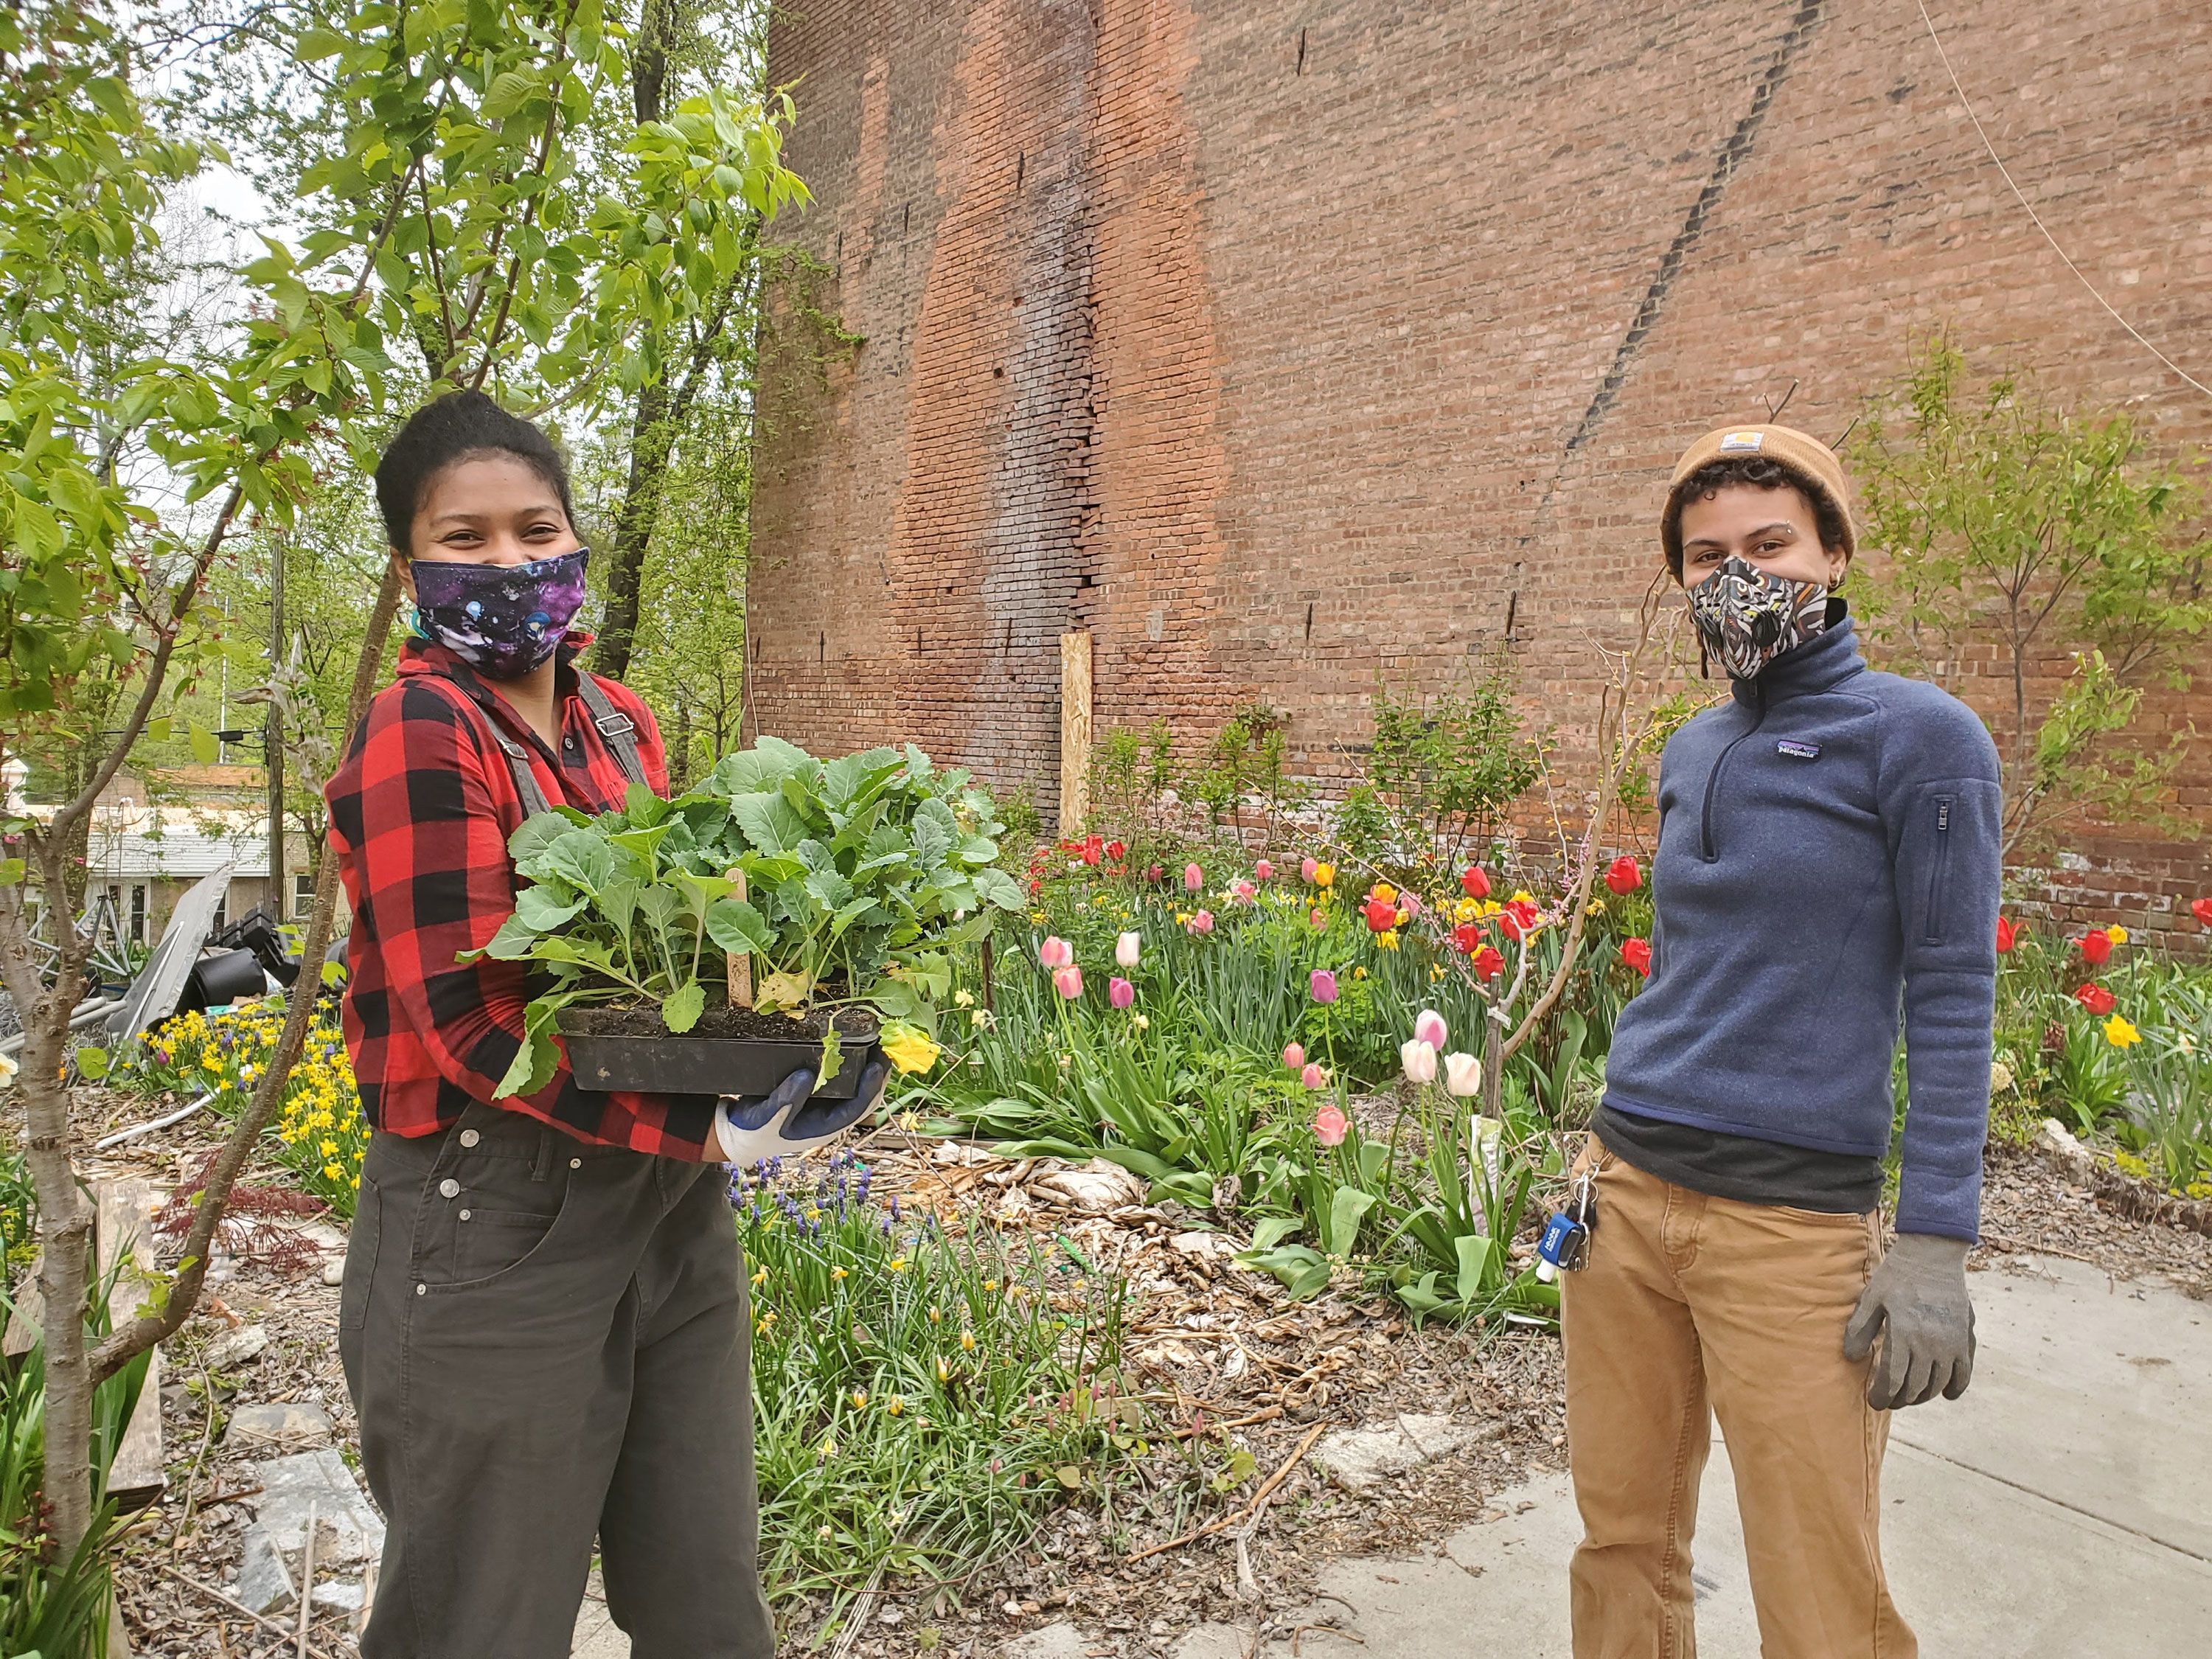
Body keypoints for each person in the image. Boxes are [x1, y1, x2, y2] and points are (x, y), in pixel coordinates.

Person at [327, 389, 882, 1658]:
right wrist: (717, 1134)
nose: (511, 561)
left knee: (706, 1600)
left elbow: (675, 949)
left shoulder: (618, 717)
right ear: (410, 562)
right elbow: (474, 1024)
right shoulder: (422, 728)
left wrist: (802, 1029)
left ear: (575, 537)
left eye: (538, 527)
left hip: (665, 1210)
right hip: (493, 1220)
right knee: (482, 1622)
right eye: (463, 539)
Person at [1565, 424, 2000, 1658]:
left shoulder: (1922, 739)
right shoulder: (1692, 747)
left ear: (1835, 551)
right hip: (1626, 1194)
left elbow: (1957, 990)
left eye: (1770, 544)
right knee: (1621, 1542)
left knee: (1821, 1595)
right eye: (1705, 558)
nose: (1737, 577)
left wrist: (1933, 1243)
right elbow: (1701, 965)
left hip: (1790, 1229)